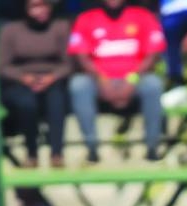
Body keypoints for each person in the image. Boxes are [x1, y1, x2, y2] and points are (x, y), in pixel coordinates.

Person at [67, 0, 166, 162]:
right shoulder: (86, 19)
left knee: (153, 84)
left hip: (135, 78)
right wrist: (102, 79)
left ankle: (152, 147)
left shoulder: (143, 16)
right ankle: (92, 148)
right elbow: (82, 57)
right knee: (78, 84)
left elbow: (152, 55)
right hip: (99, 79)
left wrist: (132, 80)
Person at [0, 0, 72, 168]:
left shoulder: (60, 27)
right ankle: (31, 154)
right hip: (19, 82)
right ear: (25, 9)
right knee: (27, 103)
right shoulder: (10, 31)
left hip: (53, 80)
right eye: (35, 6)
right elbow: (2, 67)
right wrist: (25, 78)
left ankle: (57, 154)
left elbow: (68, 64)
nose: (41, 11)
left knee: (57, 99)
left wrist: (51, 77)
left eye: (44, 6)